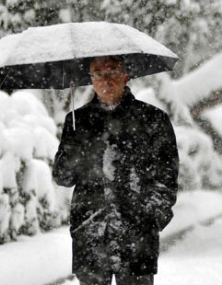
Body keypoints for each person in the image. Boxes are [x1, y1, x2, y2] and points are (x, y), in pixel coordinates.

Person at [53, 55, 179, 284]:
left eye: (112, 72)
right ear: (90, 79)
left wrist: (151, 218)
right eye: (98, 74)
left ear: (126, 76)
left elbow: (166, 177)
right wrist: (74, 147)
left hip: (138, 237)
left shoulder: (152, 120)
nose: (105, 80)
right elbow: (62, 177)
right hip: (90, 234)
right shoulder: (77, 122)